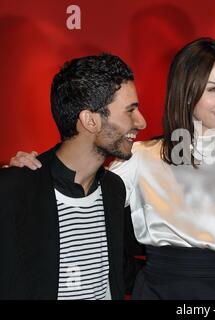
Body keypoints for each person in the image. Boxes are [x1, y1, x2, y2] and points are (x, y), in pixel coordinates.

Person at [11, 38, 215, 300]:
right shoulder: (142, 158)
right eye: (214, 89)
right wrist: (30, 172)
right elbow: (80, 200)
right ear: (186, 91)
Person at [0, 53, 147, 299]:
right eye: (130, 110)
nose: (141, 122)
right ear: (90, 120)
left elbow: (123, 272)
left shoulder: (114, 189)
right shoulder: (14, 189)